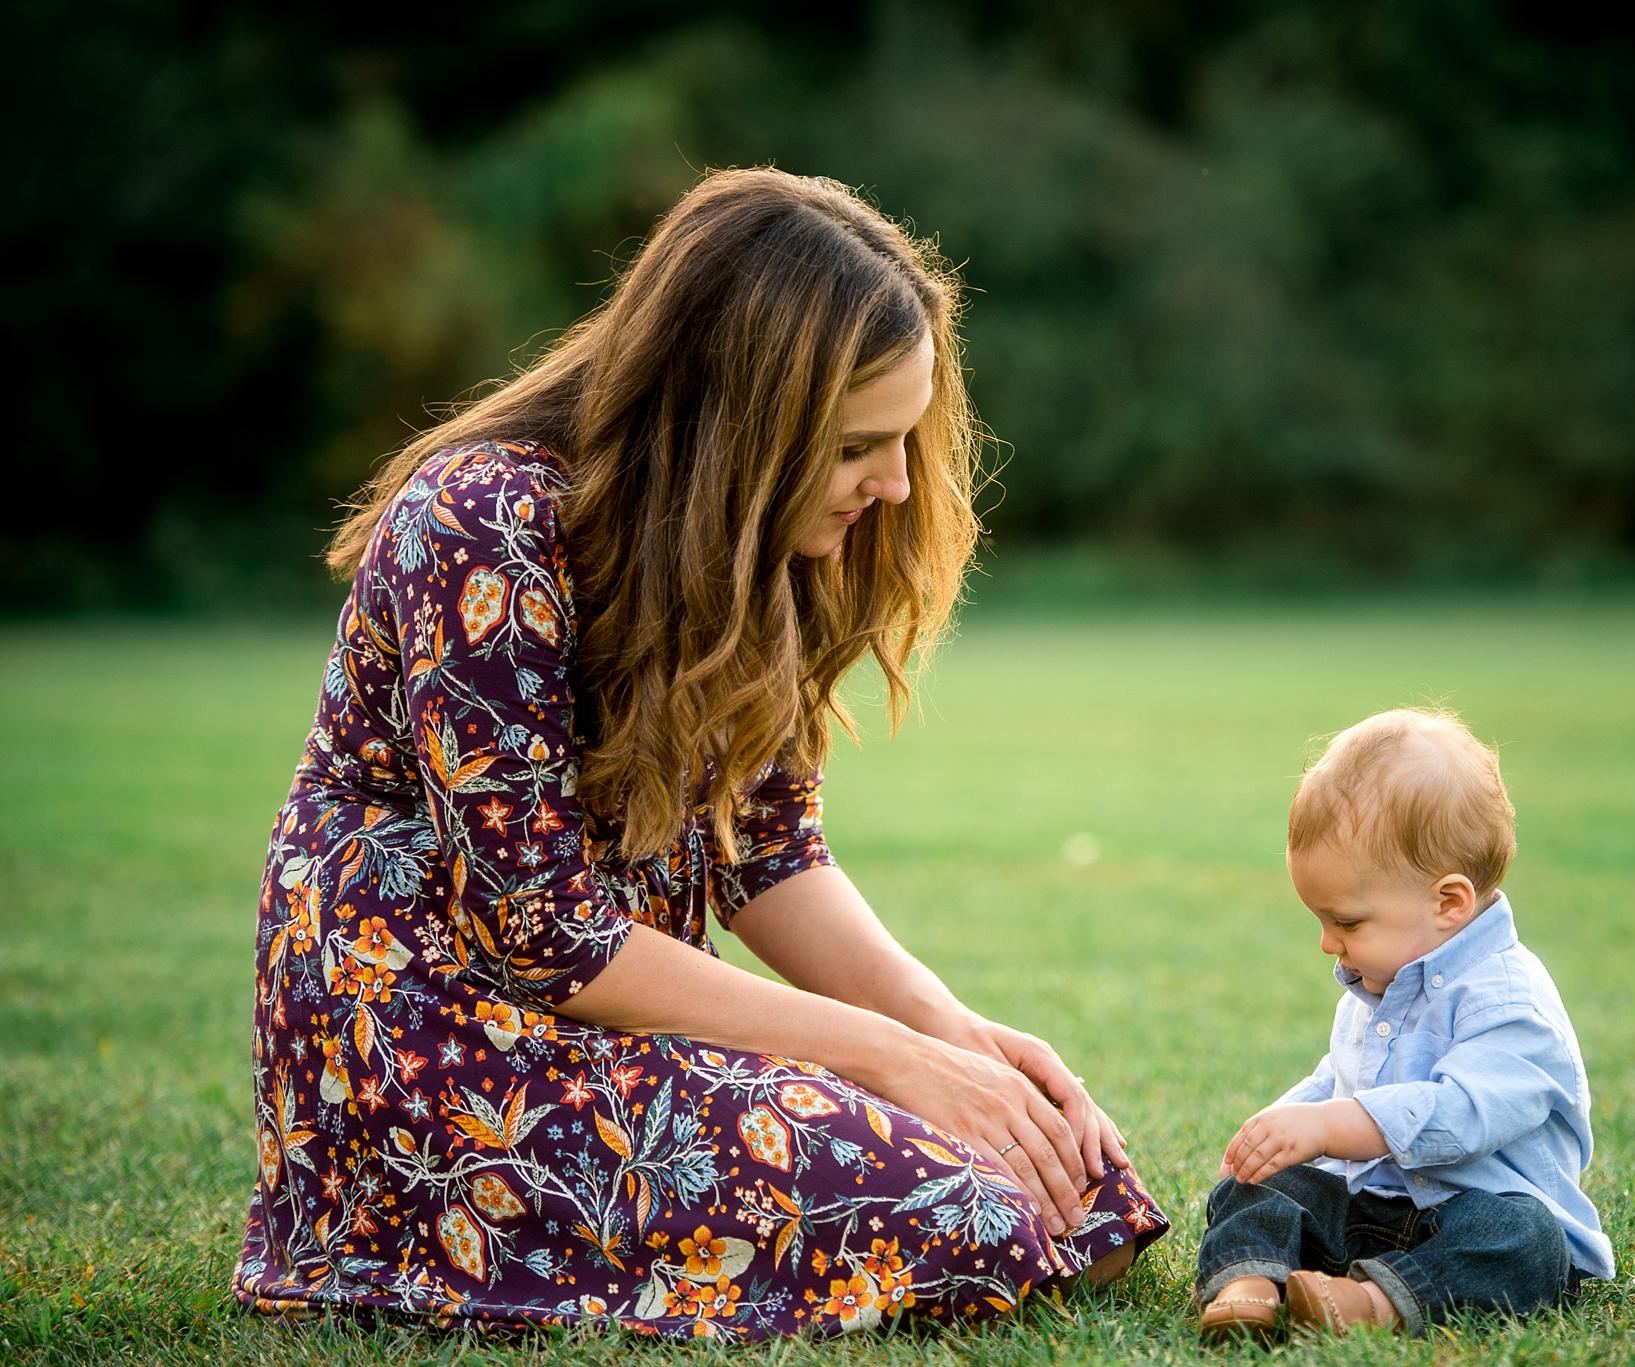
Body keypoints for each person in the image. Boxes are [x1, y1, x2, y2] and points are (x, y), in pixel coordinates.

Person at [235, 167, 1166, 1342]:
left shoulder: (750, 549)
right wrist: (892, 1063)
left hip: (611, 1028)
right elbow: (546, 934)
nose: (891, 483)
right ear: (734, 422)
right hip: (433, 1040)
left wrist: (956, 1036)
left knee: (1075, 1184)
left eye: (903, 438)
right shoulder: (483, 521)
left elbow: (769, 855)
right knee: (960, 1207)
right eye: (854, 447)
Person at [1194, 708, 1611, 1342]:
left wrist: (1330, 1126)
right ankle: (1249, 1286)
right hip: (1372, 1211)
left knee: (1527, 1242)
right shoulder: (1377, 980)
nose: (1329, 944)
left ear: (1448, 903)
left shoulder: (1510, 1002)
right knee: (1258, 1189)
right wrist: (1280, 1128)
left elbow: (1460, 1113)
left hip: (1469, 1218)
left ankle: (1375, 1306)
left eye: (1348, 922)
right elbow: (1339, 1078)